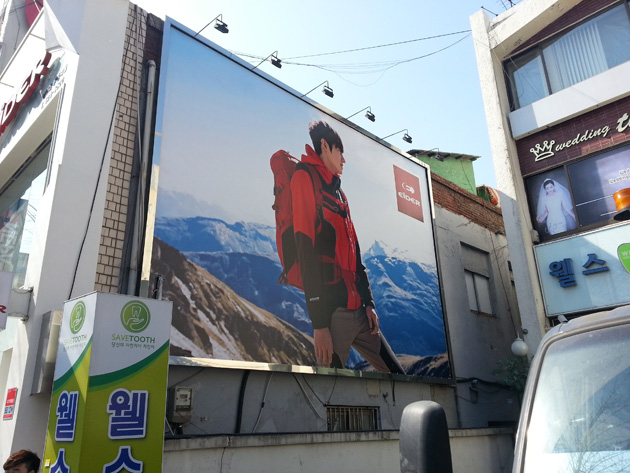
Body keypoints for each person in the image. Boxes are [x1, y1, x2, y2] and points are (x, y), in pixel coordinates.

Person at [291, 120, 404, 374]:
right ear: (324, 146)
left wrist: (369, 303)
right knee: (326, 391)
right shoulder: (304, 177)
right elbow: (305, 252)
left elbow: (355, 253)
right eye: (340, 151)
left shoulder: (340, 193)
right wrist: (320, 325)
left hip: (361, 314)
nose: (344, 159)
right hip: (334, 316)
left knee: (398, 376)